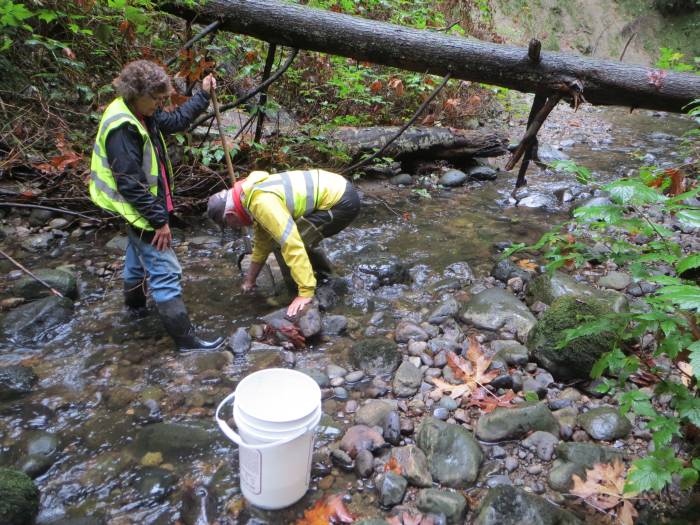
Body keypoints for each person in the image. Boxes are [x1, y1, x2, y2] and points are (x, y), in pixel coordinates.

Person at [89, 59, 223, 351]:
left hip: (139, 208)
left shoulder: (142, 113)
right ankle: (187, 342)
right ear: (135, 93)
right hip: (140, 208)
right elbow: (130, 183)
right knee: (166, 271)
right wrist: (159, 220)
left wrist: (201, 94)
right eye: (156, 99)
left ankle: (135, 311)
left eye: (162, 99)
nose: (159, 105)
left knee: (137, 259)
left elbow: (176, 122)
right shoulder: (122, 127)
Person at [207, 169, 360, 317]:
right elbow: (262, 243)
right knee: (279, 239)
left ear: (230, 214)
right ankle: (322, 276)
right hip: (336, 188)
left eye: (228, 224)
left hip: (341, 202)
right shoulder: (248, 196)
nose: (233, 228)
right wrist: (250, 280)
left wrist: (305, 292)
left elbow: (291, 243)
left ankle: (301, 290)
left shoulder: (261, 203)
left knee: (282, 243)